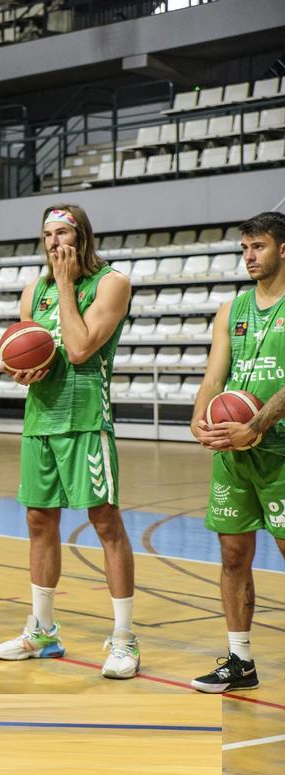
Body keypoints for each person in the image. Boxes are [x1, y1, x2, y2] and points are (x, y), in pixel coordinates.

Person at [0, 204, 138, 679]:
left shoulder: (112, 282)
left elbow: (77, 348)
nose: (55, 243)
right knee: (38, 522)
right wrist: (18, 368)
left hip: (84, 421)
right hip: (41, 420)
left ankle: (123, 639)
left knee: (105, 522)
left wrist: (67, 285)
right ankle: (43, 631)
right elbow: (23, 350)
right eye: (48, 235)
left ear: (82, 238)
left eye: (63, 234)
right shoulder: (33, 288)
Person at [190, 210, 285, 693]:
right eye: (245, 248)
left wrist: (258, 424)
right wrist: (200, 416)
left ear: (283, 250)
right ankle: (240, 661)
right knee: (232, 555)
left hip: (280, 451)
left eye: (259, 247)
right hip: (234, 448)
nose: (249, 256)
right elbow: (213, 376)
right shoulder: (232, 309)